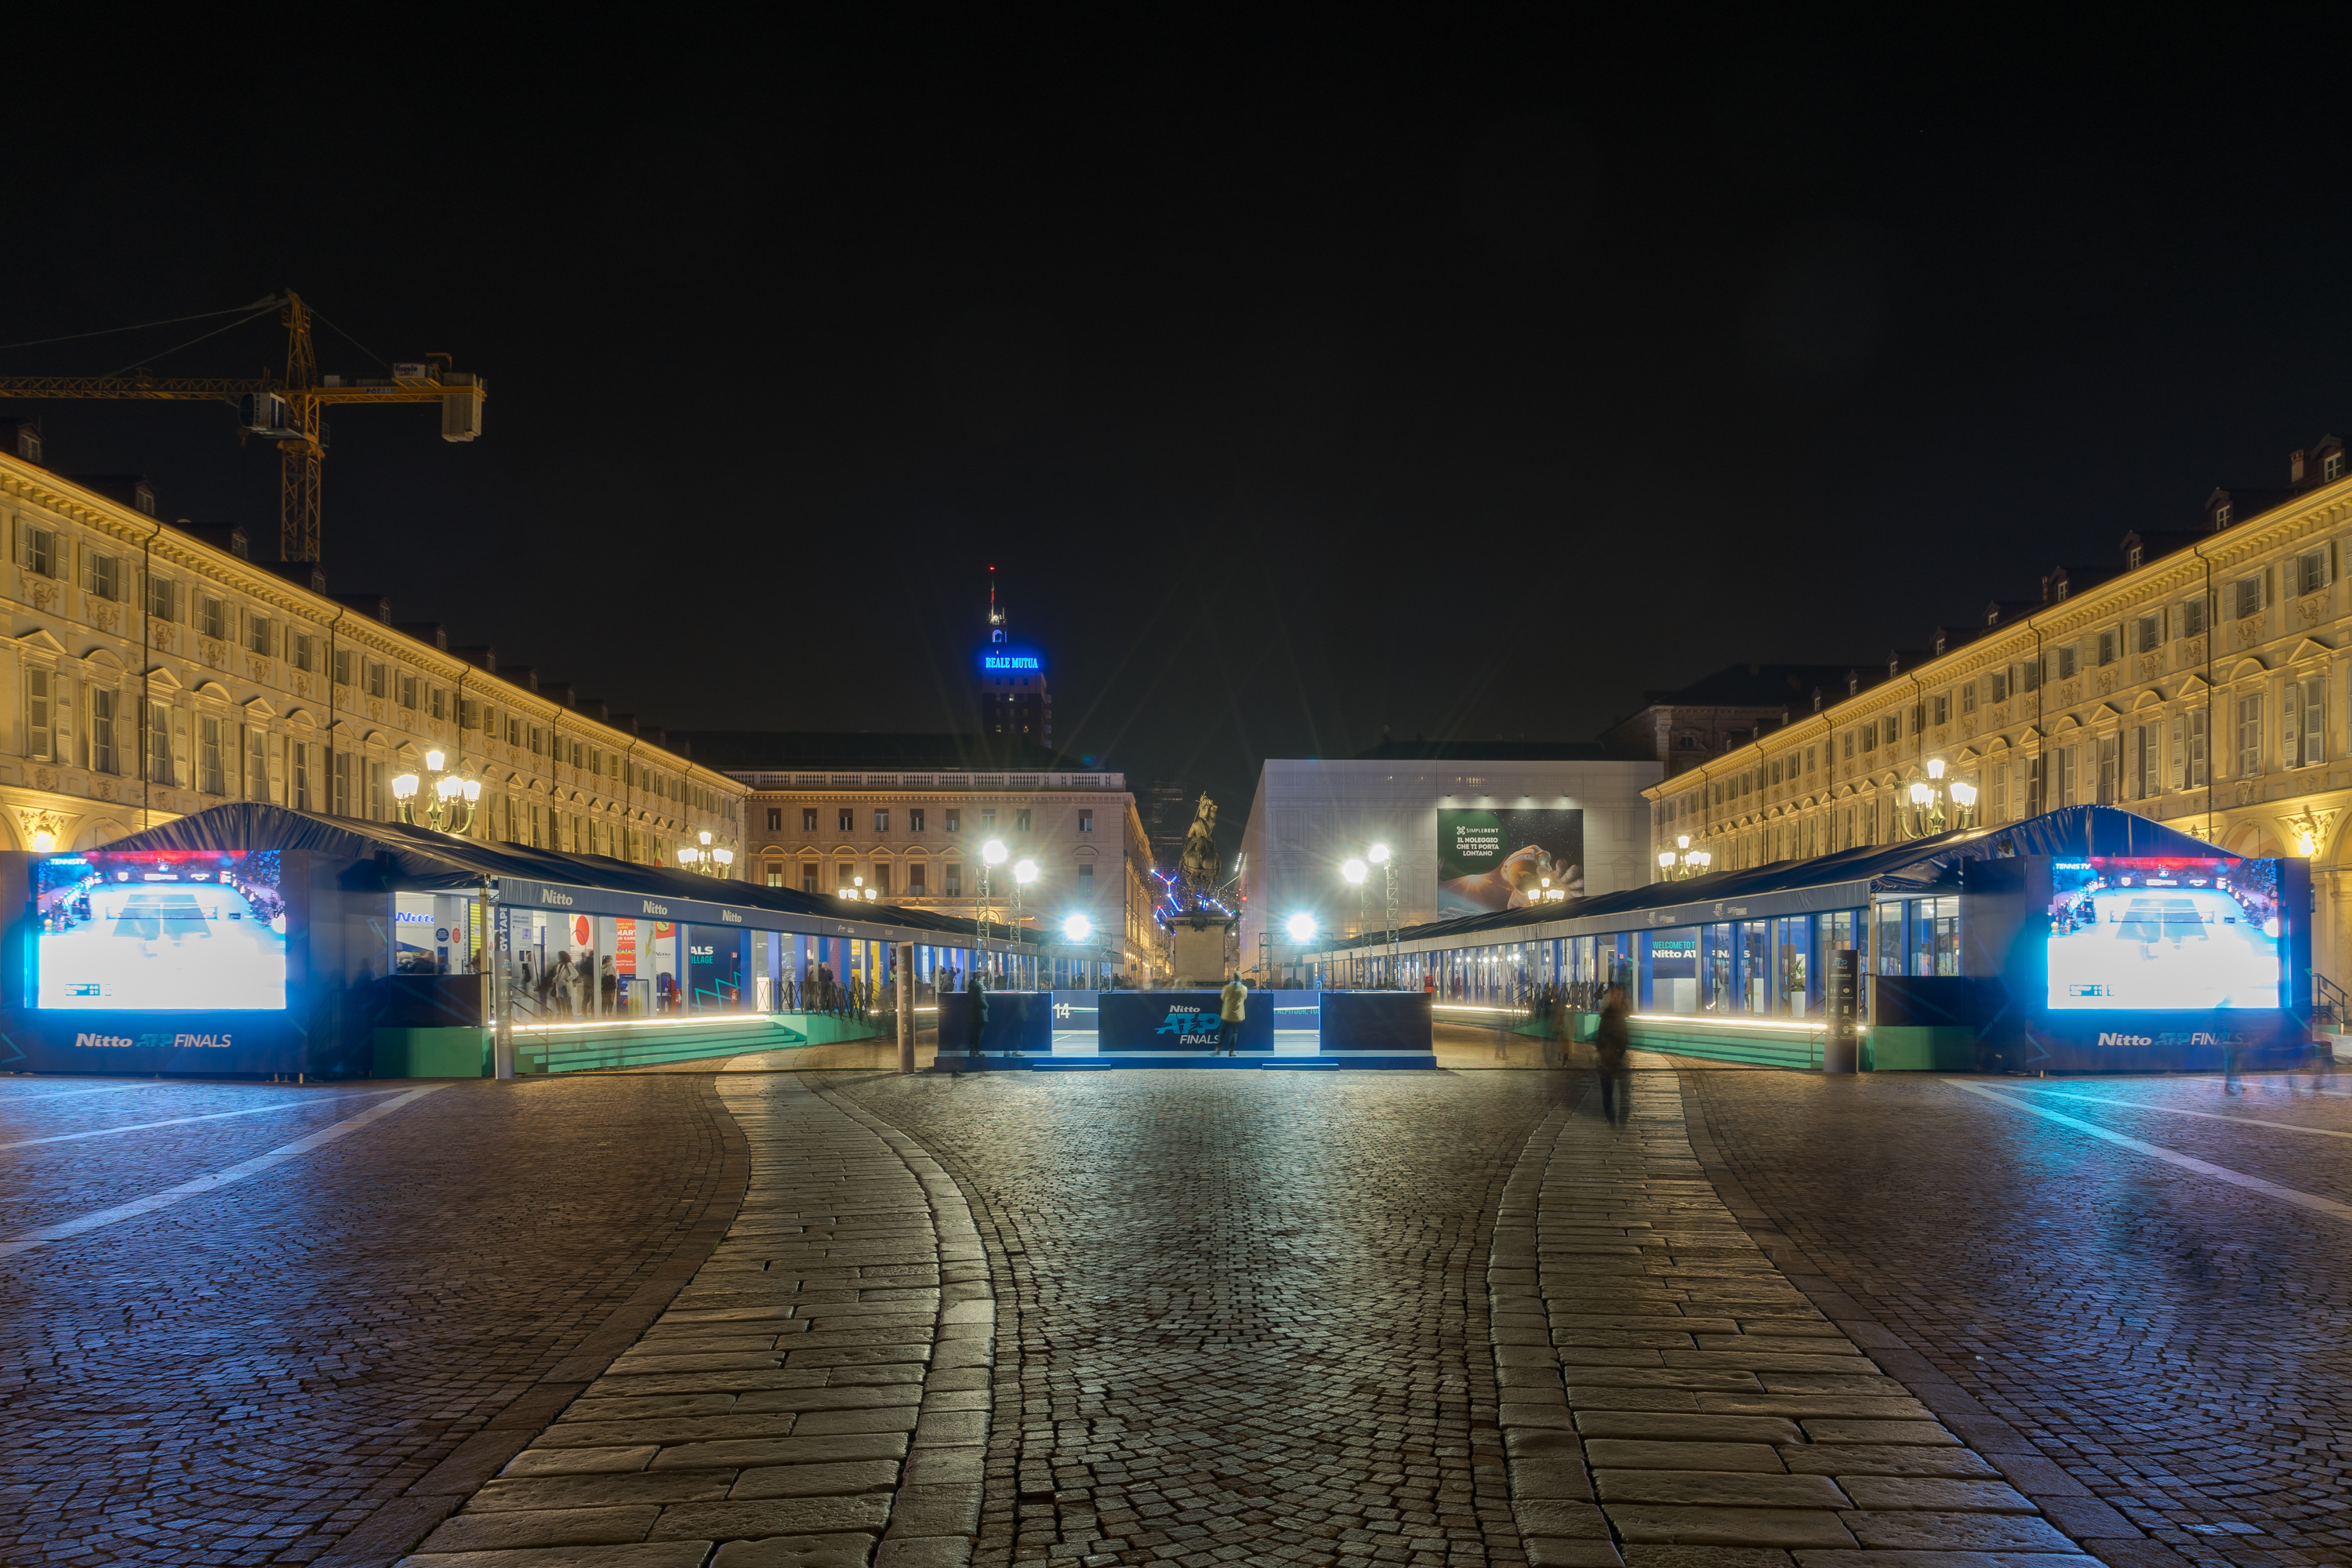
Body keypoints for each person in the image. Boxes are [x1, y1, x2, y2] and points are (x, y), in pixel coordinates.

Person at [1594, 983, 1632, 1125]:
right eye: (1614, 994)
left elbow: (1625, 1037)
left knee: (1620, 1091)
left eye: (1618, 994)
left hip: (1616, 1057)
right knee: (1608, 1091)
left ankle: (1619, 1119)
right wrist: (1605, 1050)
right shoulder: (1609, 1014)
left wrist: (1618, 1052)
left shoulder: (1618, 1013)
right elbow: (1599, 1038)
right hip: (1609, 1058)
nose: (1616, 996)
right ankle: (1612, 1118)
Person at [1219, 973, 1249, 1056]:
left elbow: (1222, 997)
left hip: (1227, 1014)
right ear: (1240, 979)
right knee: (1234, 1033)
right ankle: (1231, 1051)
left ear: (1232, 979)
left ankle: (1218, 1049)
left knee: (1222, 1032)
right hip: (1237, 1016)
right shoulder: (1244, 989)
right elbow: (1245, 998)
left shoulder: (1226, 988)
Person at [964, 967, 989, 1062]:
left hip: (973, 1012)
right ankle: (977, 1050)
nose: (983, 978)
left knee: (974, 1031)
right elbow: (980, 1000)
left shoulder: (971, 986)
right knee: (979, 1032)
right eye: (982, 977)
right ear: (979, 977)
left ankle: (972, 1049)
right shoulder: (978, 987)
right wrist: (987, 1006)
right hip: (980, 1013)